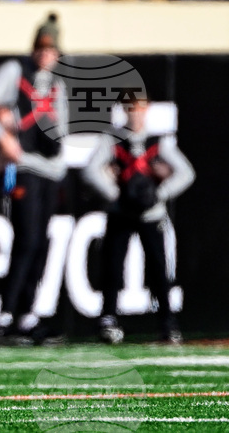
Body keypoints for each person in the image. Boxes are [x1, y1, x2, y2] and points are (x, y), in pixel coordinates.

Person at [0, 14, 68, 344]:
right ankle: (6, 315)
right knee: (26, 240)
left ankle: (27, 314)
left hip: (50, 169)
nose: (45, 54)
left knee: (39, 244)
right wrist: (3, 136)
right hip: (23, 166)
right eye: (41, 47)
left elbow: (63, 129)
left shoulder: (58, 82)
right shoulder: (15, 72)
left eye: (51, 48)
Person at [83, 96, 195, 344]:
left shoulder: (157, 142)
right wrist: (114, 194)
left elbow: (186, 173)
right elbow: (90, 171)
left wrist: (160, 193)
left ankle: (167, 321)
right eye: (131, 109)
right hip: (121, 212)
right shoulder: (113, 140)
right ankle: (108, 318)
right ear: (124, 112)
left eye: (140, 109)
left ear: (147, 111)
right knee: (113, 266)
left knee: (158, 267)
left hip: (150, 214)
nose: (136, 114)